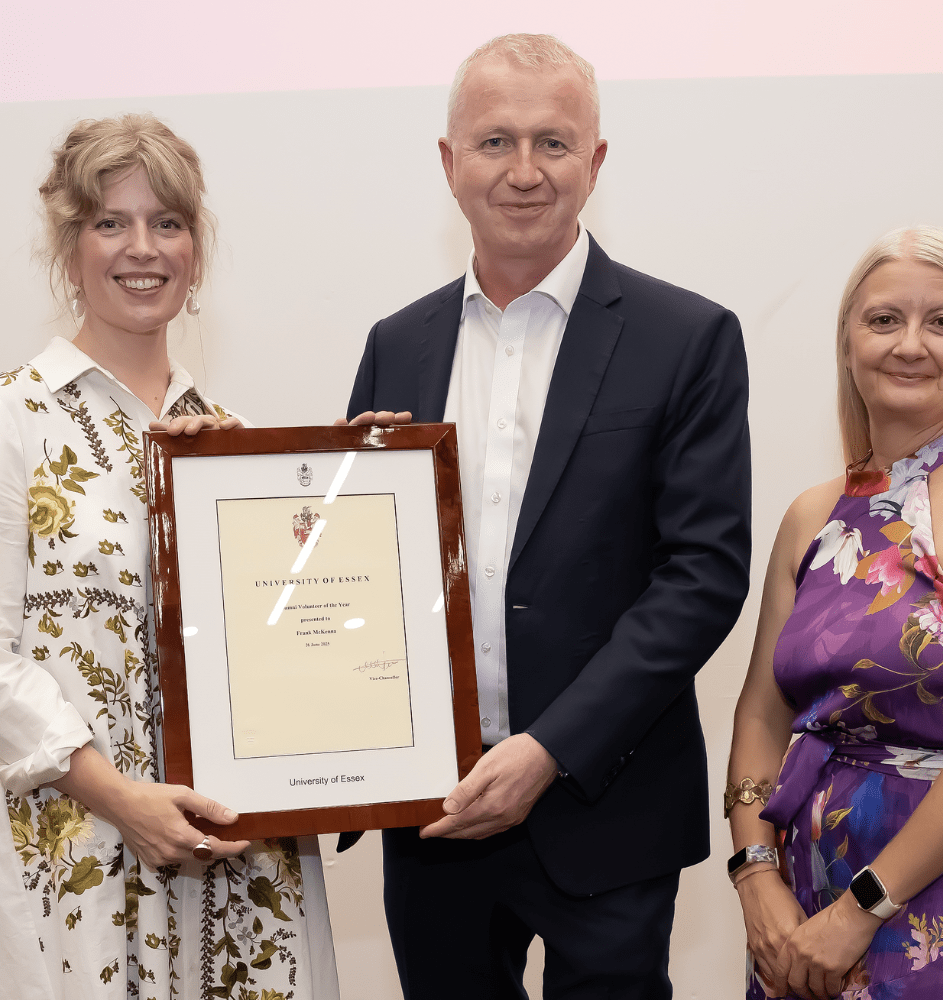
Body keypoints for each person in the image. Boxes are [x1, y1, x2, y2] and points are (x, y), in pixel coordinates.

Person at [347, 33, 752, 998]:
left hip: (604, 808)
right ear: (449, 165)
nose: (524, 171)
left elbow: (701, 576)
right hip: (434, 814)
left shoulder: (687, 338)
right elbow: (358, 577)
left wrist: (549, 749)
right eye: (494, 142)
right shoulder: (395, 345)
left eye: (553, 143)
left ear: (596, 162)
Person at [0, 115, 338, 999]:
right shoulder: (12, 422)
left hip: (242, 855)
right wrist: (124, 801)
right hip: (80, 848)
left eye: (168, 222)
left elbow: (307, 642)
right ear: (68, 248)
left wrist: (374, 486)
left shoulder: (244, 443)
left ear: (196, 249)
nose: (141, 249)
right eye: (110, 223)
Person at [727, 226, 943, 999]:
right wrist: (755, 877)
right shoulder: (812, 515)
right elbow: (759, 718)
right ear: (847, 344)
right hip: (800, 903)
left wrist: (863, 908)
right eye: (883, 320)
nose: (910, 344)